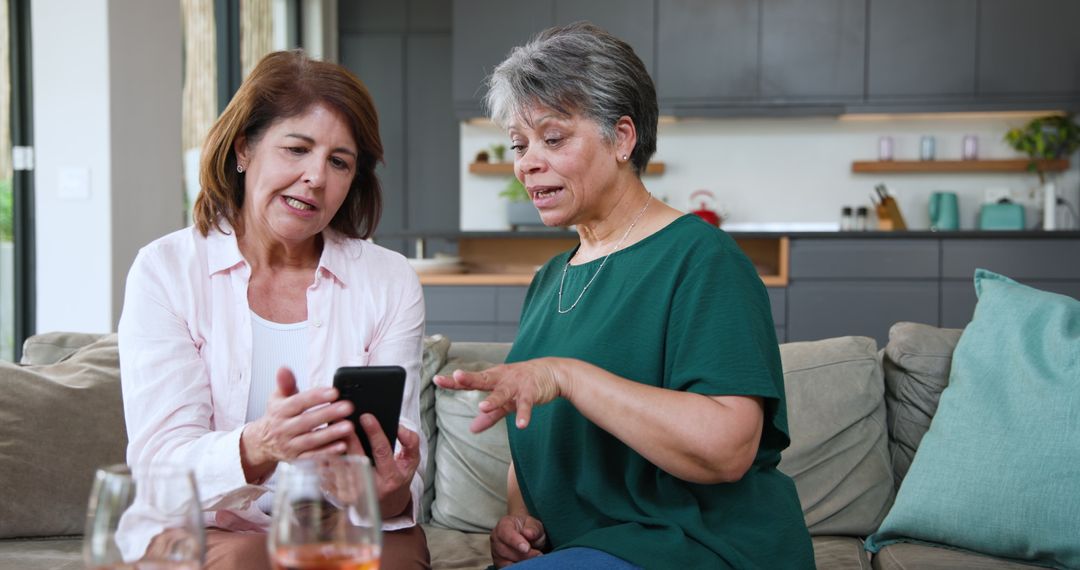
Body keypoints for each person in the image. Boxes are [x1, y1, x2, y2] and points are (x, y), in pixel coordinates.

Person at [434, 23, 814, 569]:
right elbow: (535, 430)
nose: (527, 162)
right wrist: (520, 520)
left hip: (699, 547)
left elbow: (729, 447)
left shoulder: (703, 259)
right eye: (519, 145)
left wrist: (568, 376)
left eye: (553, 138)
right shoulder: (550, 280)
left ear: (623, 138)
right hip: (592, 551)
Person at [118, 50, 429, 569]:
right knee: (250, 559)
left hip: (345, 523)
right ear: (244, 149)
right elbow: (160, 474)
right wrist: (259, 445)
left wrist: (385, 489)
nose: (315, 177)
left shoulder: (389, 280)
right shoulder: (166, 270)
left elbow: (395, 492)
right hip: (209, 524)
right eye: (297, 149)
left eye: (338, 162)